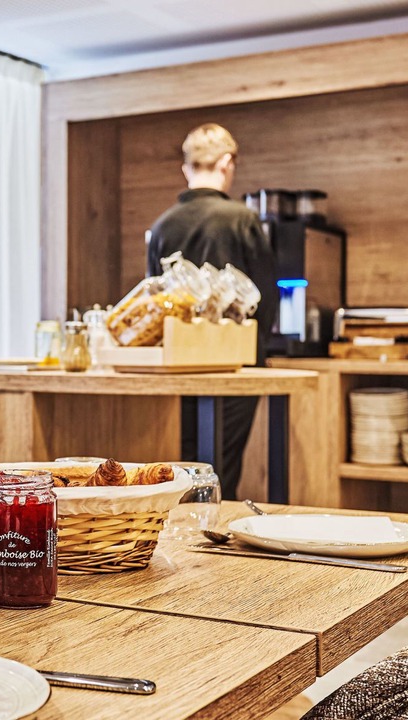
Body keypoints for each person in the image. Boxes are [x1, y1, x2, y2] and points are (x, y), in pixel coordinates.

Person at [145, 123, 278, 500]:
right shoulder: (242, 219)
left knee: (185, 465)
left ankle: (184, 545)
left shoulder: (161, 226)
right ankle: (213, 540)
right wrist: (258, 352)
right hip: (234, 365)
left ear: (187, 167)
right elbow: (265, 297)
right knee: (223, 466)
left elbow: (154, 302)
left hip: (178, 365)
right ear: (226, 162)